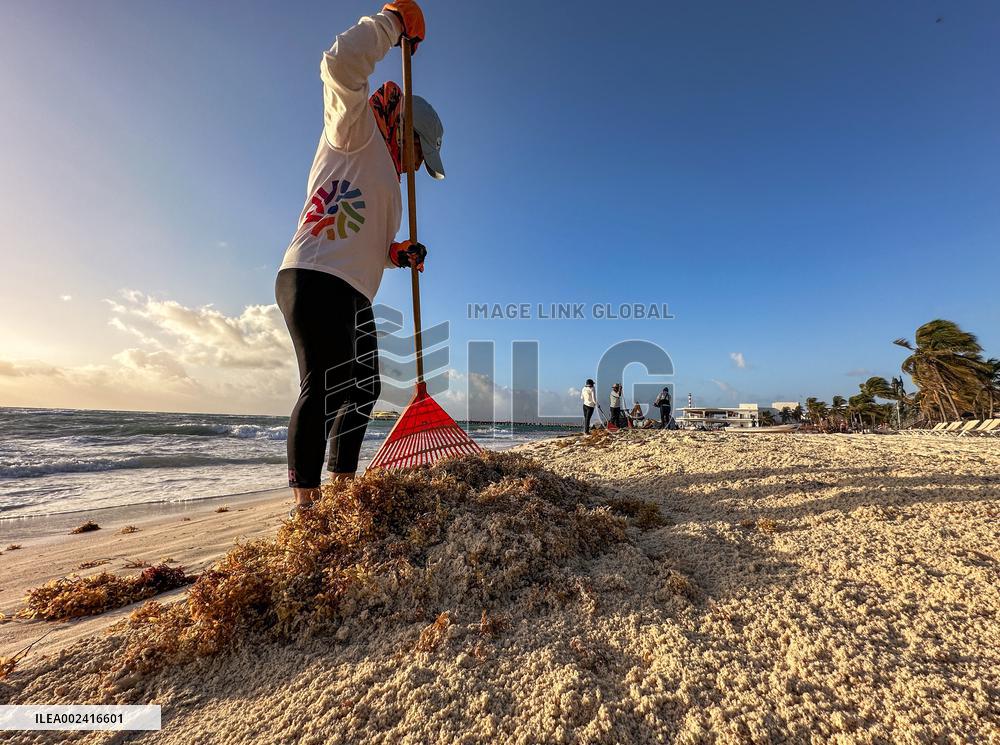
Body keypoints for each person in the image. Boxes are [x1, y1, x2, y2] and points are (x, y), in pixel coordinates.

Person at [276, 1, 446, 514]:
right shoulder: (356, 131)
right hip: (314, 274)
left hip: (351, 286)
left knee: (365, 386)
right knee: (325, 385)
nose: (419, 167)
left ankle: (343, 489)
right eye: (422, 153)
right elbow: (339, 64)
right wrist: (392, 22)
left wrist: (397, 254)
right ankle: (306, 505)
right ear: (406, 131)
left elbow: (367, 241)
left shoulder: (390, 186)